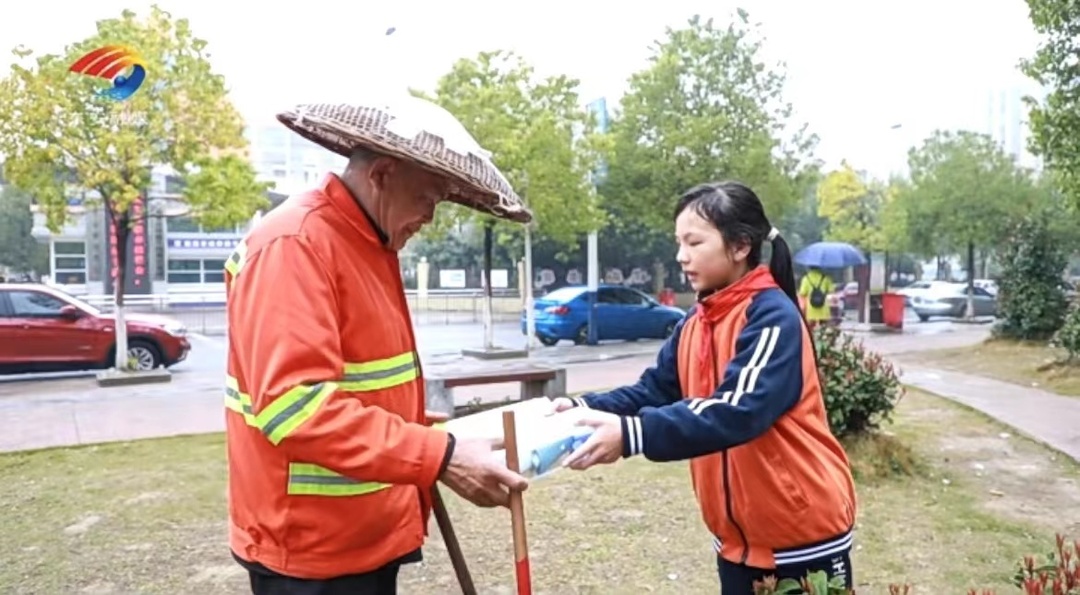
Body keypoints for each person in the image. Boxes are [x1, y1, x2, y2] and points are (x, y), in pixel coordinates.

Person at [224, 98, 531, 595]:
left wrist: (451, 438)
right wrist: (439, 456)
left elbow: (367, 391)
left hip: (358, 536)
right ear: (383, 174)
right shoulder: (296, 244)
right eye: (428, 197)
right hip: (309, 551)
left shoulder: (365, 241)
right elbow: (295, 408)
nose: (430, 218)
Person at [553, 181, 857, 594]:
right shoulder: (694, 323)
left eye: (694, 241)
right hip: (735, 543)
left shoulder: (772, 317)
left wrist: (632, 435)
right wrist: (577, 407)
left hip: (802, 539)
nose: (682, 255)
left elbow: (738, 409)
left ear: (740, 246)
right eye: (679, 242)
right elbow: (653, 391)